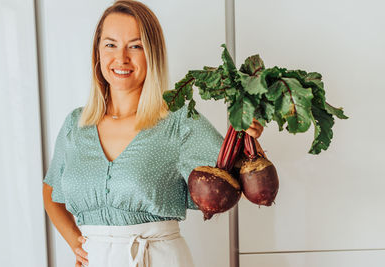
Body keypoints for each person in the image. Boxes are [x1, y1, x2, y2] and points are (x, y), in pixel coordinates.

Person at [42, 1, 264, 266]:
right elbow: (51, 192)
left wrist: (249, 136)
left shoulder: (178, 120)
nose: (121, 58)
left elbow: (239, 174)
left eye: (135, 46)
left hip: (157, 258)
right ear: (97, 52)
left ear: (153, 53)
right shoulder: (75, 125)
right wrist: (76, 243)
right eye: (110, 44)